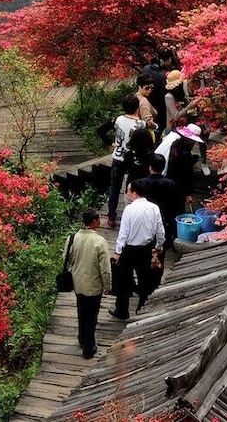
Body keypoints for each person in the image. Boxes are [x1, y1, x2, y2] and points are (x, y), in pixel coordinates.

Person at [109, 181, 165, 320]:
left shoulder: (129, 209)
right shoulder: (154, 208)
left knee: (123, 280)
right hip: (146, 249)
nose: (127, 194)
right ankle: (142, 308)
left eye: (128, 191)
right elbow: (160, 231)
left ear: (134, 193)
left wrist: (117, 252)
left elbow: (123, 234)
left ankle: (122, 310)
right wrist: (158, 247)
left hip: (129, 249)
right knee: (145, 279)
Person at [62, 209, 112, 359]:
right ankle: (88, 347)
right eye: (99, 219)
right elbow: (105, 269)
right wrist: (107, 286)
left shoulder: (72, 238)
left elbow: (66, 258)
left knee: (81, 311)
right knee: (92, 315)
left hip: (78, 283)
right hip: (93, 285)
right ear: (94, 221)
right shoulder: (99, 242)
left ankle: (81, 338)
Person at [108, 95, 145, 228]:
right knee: (131, 187)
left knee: (114, 187)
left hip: (118, 156)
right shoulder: (141, 124)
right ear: (137, 108)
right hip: (133, 159)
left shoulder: (119, 119)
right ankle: (130, 215)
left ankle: (111, 216)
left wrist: (111, 143)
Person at [165, 125, 202, 218]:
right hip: (179, 186)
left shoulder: (176, 144)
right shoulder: (185, 154)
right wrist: (188, 194)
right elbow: (187, 175)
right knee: (177, 211)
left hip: (170, 181)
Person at [141, 48, 177, 131]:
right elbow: (164, 97)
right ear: (169, 59)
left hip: (144, 106)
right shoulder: (164, 76)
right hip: (160, 111)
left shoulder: (146, 68)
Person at [164, 70, 204, 136]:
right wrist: (190, 105)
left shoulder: (181, 91)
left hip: (185, 123)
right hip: (174, 127)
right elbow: (176, 116)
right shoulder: (169, 97)